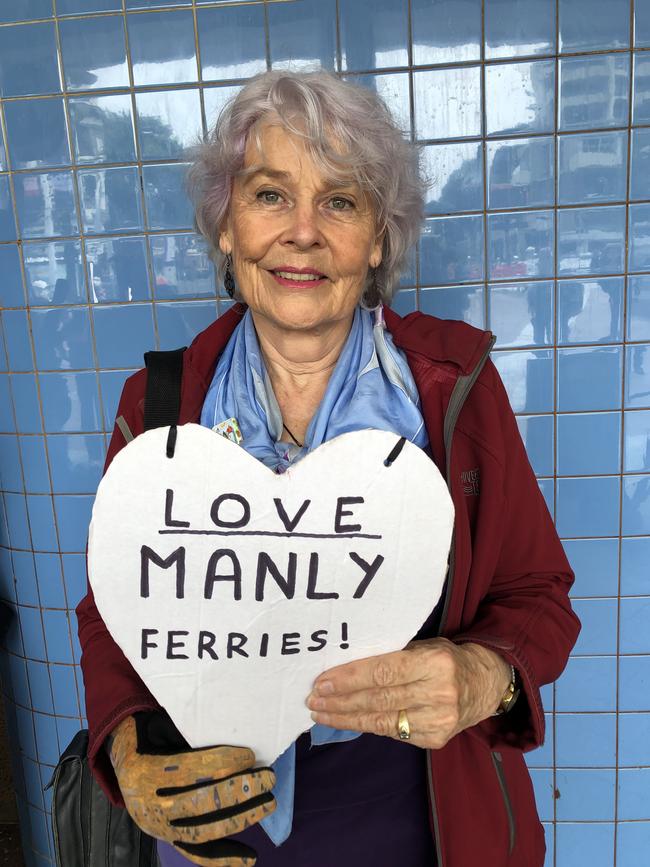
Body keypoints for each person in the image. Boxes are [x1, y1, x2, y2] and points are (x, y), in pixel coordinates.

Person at [76, 71, 580, 867]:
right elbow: (114, 607)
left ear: (378, 238)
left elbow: (539, 597)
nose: (302, 232)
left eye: (339, 201)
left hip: (419, 811)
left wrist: (483, 676)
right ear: (226, 226)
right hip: (218, 820)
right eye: (271, 195)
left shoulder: (452, 391)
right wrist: (128, 744)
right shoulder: (161, 404)